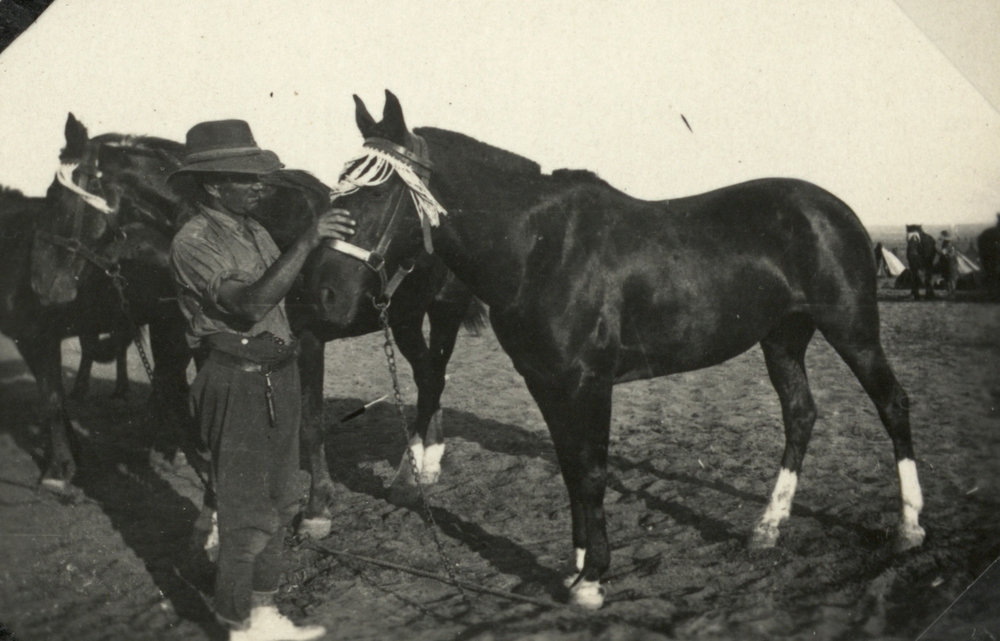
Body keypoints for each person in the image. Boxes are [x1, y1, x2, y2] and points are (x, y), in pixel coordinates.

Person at [169, 119, 354, 641]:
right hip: (234, 381)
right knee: (246, 509)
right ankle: (235, 622)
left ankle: (265, 612)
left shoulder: (255, 230)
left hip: (278, 374)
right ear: (211, 185)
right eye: (247, 178)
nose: (260, 186)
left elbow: (283, 295)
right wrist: (309, 238)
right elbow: (250, 304)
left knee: (282, 499)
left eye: (261, 178)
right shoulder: (194, 240)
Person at [938, 229, 958, 297]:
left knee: (949, 278)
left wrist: (936, 250)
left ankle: (951, 293)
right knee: (950, 278)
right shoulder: (949, 243)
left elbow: (943, 252)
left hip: (949, 263)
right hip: (951, 262)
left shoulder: (947, 243)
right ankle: (951, 292)